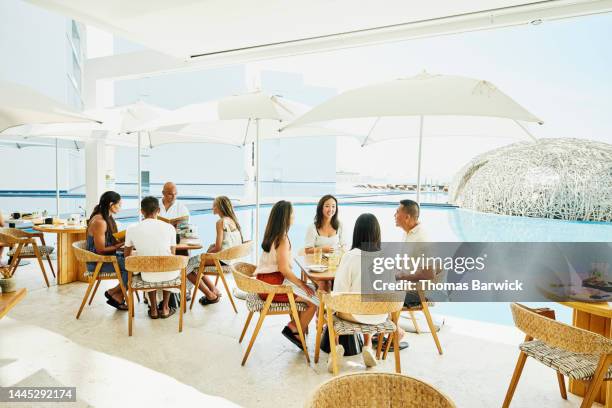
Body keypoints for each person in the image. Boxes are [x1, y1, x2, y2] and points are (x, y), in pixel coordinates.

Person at [254, 200, 318, 350]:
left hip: (264, 283)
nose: (294, 216)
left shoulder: (272, 235)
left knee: (311, 292)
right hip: (273, 287)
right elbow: (284, 269)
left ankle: (296, 328)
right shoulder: (282, 238)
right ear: (285, 217)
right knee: (315, 300)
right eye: (292, 214)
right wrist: (301, 284)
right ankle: (294, 329)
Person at [330, 213, 388, 371]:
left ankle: (336, 348)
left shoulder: (350, 256)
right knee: (367, 301)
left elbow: (339, 292)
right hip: (381, 315)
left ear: (357, 233)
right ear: (377, 233)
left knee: (331, 308)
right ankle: (368, 346)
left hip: (354, 315)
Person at [124, 196, 179, 319]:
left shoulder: (131, 229)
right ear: (158, 210)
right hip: (169, 274)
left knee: (147, 265)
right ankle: (165, 308)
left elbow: (127, 257)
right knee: (168, 263)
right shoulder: (170, 227)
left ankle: (153, 309)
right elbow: (173, 255)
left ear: (142, 211)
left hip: (147, 276)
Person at [186, 196, 241, 306]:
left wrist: (207, 253)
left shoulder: (221, 222)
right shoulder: (232, 220)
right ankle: (214, 290)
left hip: (222, 260)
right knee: (196, 266)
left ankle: (210, 295)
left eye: (214, 205)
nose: (212, 207)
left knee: (186, 265)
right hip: (231, 259)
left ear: (220, 207)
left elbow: (218, 248)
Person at [86, 191, 128, 311]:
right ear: (111, 204)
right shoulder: (100, 222)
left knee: (132, 263)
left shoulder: (106, 218)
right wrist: (120, 245)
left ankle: (117, 294)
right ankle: (114, 293)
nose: (120, 208)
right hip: (97, 263)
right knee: (133, 265)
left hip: (105, 259)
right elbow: (101, 250)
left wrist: (122, 240)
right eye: (119, 205)